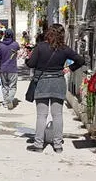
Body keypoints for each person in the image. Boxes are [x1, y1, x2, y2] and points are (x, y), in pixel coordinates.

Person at [25, 24, 85, 153]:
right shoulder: (64, 49)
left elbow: (31, 64)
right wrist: (69, 68)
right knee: (57, 115)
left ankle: (38, 144)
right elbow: (80, 60)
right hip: (58, 81)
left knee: (41, 115)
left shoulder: (40, 47)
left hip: (42, 82)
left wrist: (27, 57)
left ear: (49, 33)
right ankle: (58, 145)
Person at [0, 29, 20, 110]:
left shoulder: (0, 46)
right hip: (13, 69)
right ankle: (9, 100)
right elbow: (18, 48)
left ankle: (5, 102)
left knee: (5, 87)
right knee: (13, 86)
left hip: (3, 69)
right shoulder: (15, 44)